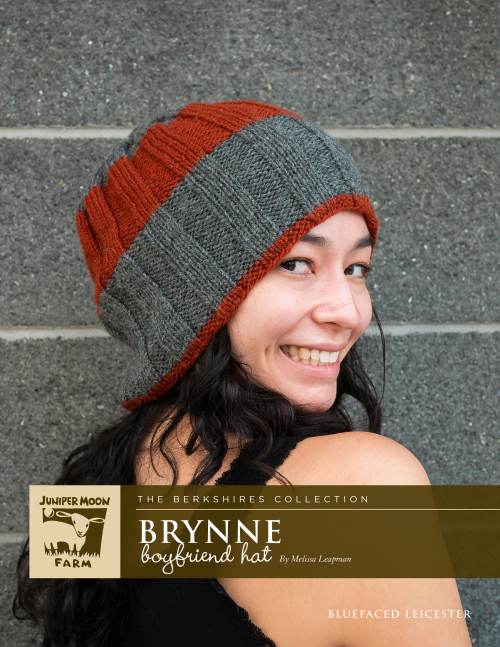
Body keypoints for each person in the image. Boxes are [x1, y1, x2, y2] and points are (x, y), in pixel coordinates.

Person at [14, 99, 472, 646]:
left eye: (356, 268)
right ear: (190, 299)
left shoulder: (90, 487)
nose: (348, 312)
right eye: (296, 263)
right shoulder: (367, 486)